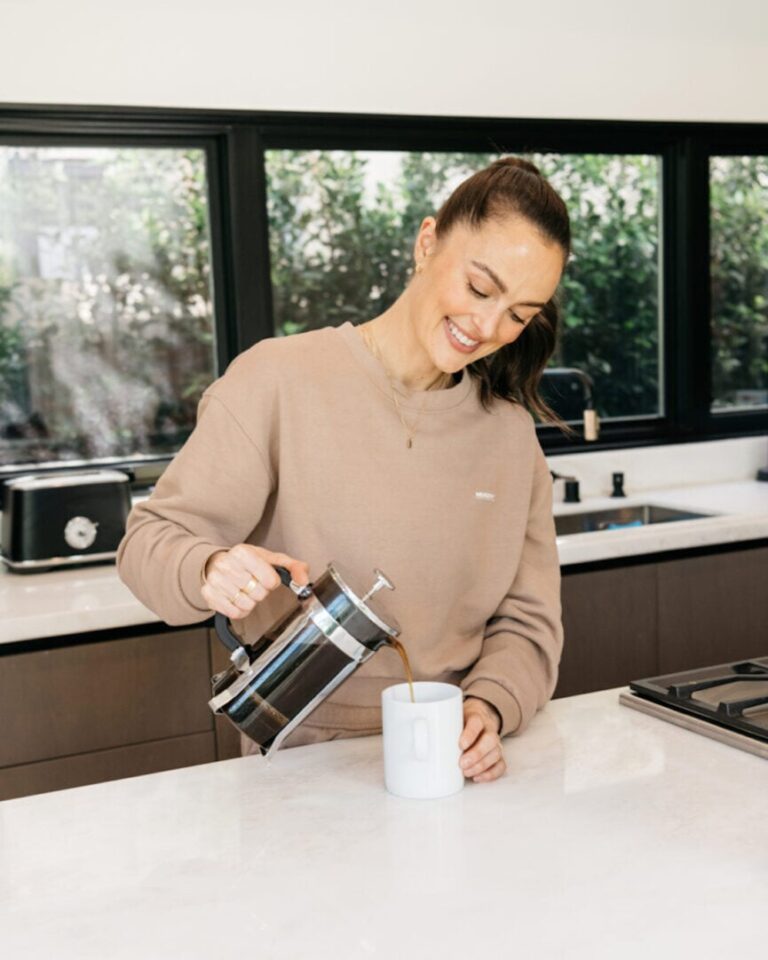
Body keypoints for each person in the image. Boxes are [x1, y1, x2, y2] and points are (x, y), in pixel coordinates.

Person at [117, 156, 570, 784]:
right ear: (427, 242)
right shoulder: (276, 380)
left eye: (520, 313)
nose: (490, 327)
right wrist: (209, 568)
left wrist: (489, 706)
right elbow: (149, 542)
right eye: (480, 288)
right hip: (305, 763)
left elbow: (529, 620)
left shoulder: (511, 436)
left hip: (450, 761)